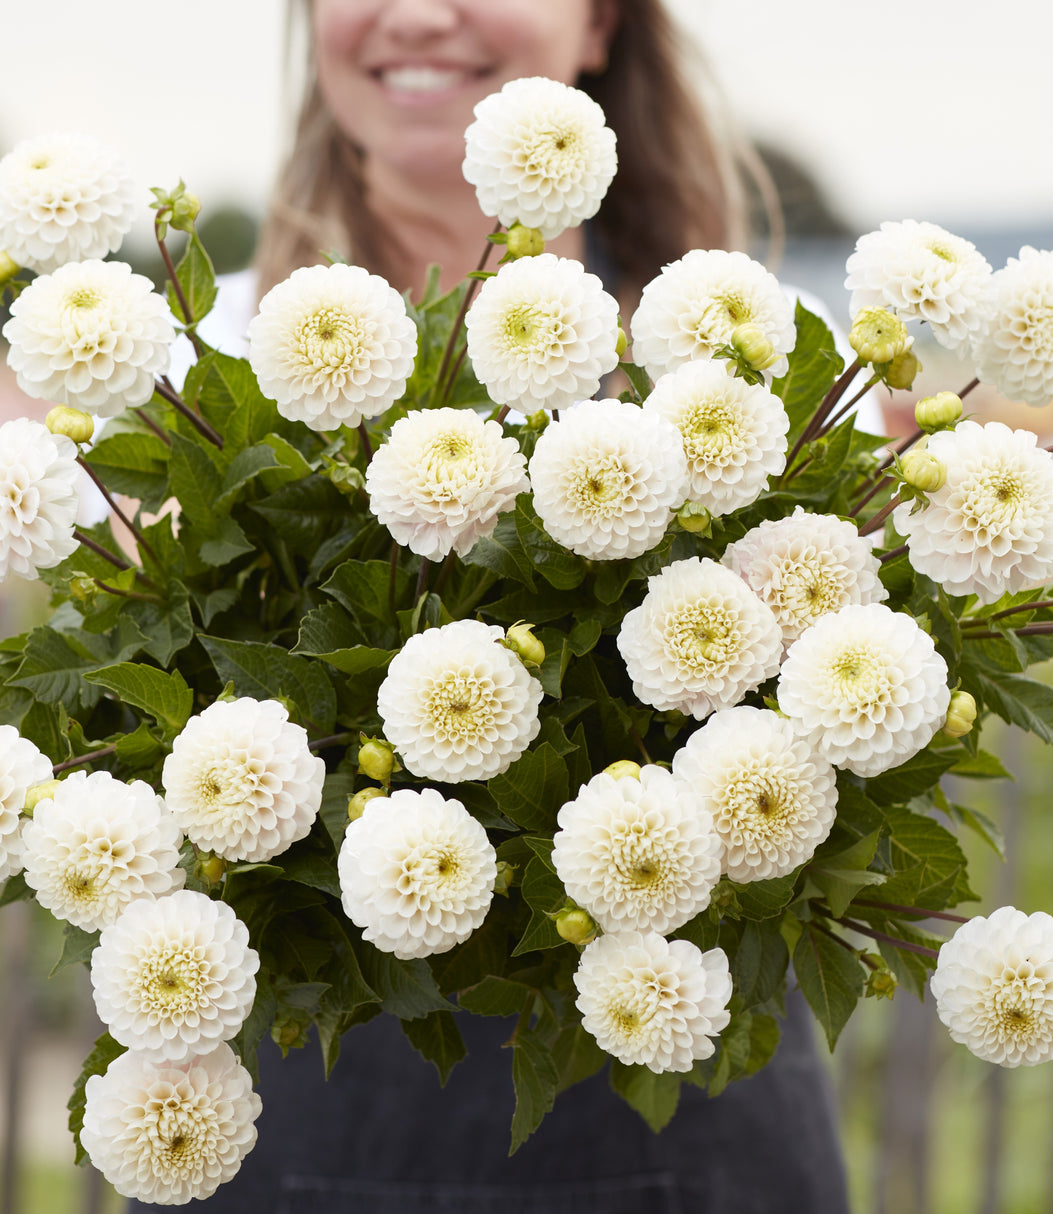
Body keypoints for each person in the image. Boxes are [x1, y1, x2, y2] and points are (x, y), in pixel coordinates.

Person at [140, 3, 854, 1210]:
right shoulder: (186, 398)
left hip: (687, 1145)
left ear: (598, 26)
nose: (420, 12)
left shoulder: (768, 386)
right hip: (286, 1137)